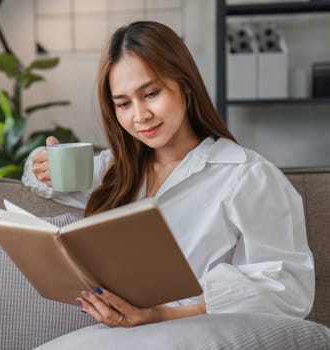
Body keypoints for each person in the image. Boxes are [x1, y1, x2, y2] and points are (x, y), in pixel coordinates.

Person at [21, 21, 314, 328]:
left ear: (185, 84)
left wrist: (162, 314)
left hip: (197, 333)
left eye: (150, 93)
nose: (140, 116)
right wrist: (43, 163)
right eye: (123, 103)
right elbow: (37, 180)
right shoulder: (115, 172)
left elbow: (290, 289)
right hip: (116, 333)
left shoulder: (248, 177)